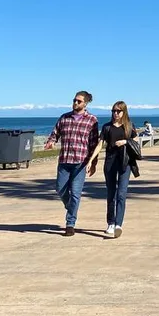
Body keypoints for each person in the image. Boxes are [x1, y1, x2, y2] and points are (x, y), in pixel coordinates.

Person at [44, 90, 99, 236]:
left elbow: (94, 144)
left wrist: (93, 163)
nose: (75, 103)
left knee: (75, 194)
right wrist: (51, 142)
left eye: (79, 101)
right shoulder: (64, 118)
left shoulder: (92, 120)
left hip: (80, 162)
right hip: (64, 160)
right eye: (74, 100)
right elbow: (55, 133)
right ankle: (71, 208)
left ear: (85, 103)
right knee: (60, 189)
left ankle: (70, 223)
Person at [88, 100, 137, 238]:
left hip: (125, 163)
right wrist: (91, 160)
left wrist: (125, 141)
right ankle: (110, 222)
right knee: (111, 194)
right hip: (110, 163)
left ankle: (118, 224)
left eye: (118, 111)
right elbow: (100, 144)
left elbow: (136, 142)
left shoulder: (129, 126)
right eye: (113, 111)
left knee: (121, 194)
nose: (115, 113)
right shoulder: (107, 127)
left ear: (124, 112)